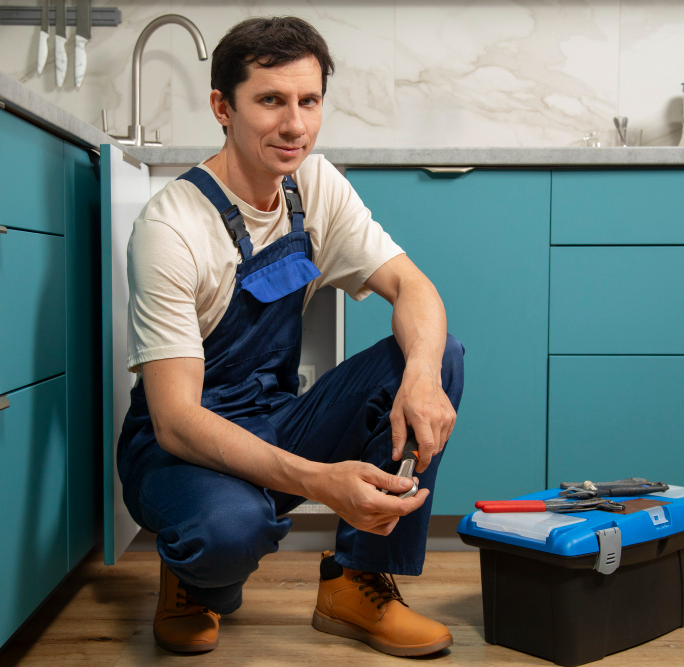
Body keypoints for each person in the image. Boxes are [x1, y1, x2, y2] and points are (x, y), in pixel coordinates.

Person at [116, 15, 464, 658]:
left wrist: (420, 376)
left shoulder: (314, 186)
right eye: (271, 101)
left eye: (309, 101)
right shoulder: (172, 226)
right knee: (230, 527)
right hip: (179, 449)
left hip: (272, 418)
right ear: (222, 106)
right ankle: (192, 572)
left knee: (436, 356)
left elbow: (414, 289)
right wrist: (319, 480)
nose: (295, 125)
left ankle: (355, 584)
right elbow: (174, 421)